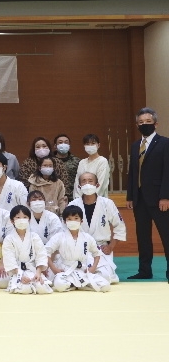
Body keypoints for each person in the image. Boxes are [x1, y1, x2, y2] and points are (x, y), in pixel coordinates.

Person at [127, 107, 169, 281]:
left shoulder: (165, 143)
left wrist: (165, 196)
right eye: (141, 122)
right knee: (143, 236)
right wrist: (130, 195)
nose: (144, 125)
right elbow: (132, 172)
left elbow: (167, 171)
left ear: (156, 124)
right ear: (137, 125)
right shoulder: (136, 145)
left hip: (159, 198)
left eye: (148, 122)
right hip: (139, 199)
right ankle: (145, 270)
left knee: (166, 235)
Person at [70, 172, 125, 284]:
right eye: (84, 181)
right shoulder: (73, 204)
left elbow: (119, 226)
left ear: (97, 184)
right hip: (79, 248)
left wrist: (111, 246)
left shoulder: (107, 203)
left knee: (106, 277)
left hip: (101, 248)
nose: (87, 183)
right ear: (79, 186)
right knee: (74, 274)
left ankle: (88, 281)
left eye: (90, 181)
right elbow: (65, 229)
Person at [45, 205, 110, 292]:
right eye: (69, 219)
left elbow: (97, 253)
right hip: (65, 271)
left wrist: (93, 268)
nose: (73, 221)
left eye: (76, 218)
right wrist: (54, 269)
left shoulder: (87, 237)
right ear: (64, 222)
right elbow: (46, 252)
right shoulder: (59, 236)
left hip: (82, 271)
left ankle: (78, 285)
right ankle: (76, 285)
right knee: (60, 285)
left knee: (105, 285)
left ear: (81, 221)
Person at [2, 205, 53, 294]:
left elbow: (41, 254)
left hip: (33, 270)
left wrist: (38, 272)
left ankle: (35, 281)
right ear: (12, 221)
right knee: (25, 289)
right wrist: (20, 275)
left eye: (25, 217)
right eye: (18, 217)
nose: (21, 220)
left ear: (29, 220)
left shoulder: (34, 236)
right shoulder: (9, 239)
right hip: (17, 271)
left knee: (42, 289)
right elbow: (9, 259)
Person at [73, 134, 110, 199]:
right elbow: (77, 183)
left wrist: (90, 199)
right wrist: (79, 199)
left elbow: (101, 184)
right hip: (81, 200)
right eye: (87, 144)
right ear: (84, 146)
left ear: (98, 145)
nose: (90, 146)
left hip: (98, 200)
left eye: (93, 143)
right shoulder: (82, 162)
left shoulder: (102, 161)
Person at [53, 133, 81, 201]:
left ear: (69, 145)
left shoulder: (77, 161)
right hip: (55, 197)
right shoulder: (49, 162)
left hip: (73, 197)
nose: (63, 144)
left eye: (66, 142)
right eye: (60, 142)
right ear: (55, 146)